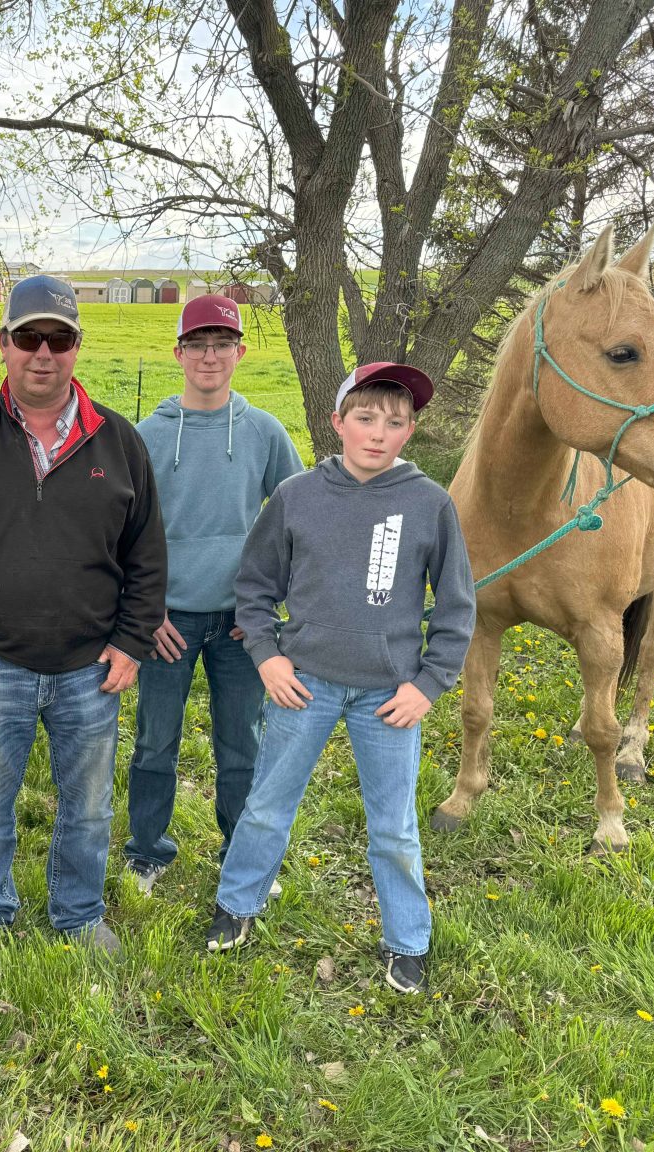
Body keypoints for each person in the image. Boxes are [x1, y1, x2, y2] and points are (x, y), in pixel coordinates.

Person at [206, 363, 474, 995]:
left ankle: (407, 940)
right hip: (306, 685)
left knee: (394, 824)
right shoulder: (298, 495)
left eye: (395, 423)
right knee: (269, 805)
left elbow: (457, 607)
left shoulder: (428, 504)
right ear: (338, 424)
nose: (378, 434)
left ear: (410, 432)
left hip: (389, 697)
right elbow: (254, 589)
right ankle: (237, 904)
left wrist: (428, 684)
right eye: (365, 419)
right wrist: (269, 657)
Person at [0, 274, 167, 955]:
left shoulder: (118, 443)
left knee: (88, 810)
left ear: (77, 347)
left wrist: (131, 641)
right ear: (3, 344)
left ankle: (79, 911)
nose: (43, 353)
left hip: (91, 668)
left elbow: (146, 556)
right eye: (29, 337)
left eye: (58, 339)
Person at [124, 295, 302, 894]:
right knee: (155, 742)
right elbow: (121, 534)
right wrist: (144, 611)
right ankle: (146, 851)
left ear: (240, 353)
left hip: (239, 623)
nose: (209, 356)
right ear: (178, 353)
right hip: (165, 621)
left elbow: (299, 518)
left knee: (240, 744)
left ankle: (242, 850)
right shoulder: (147, 435)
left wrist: (269, 606)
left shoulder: (263, 431)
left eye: (222, 344)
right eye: (196, 344)